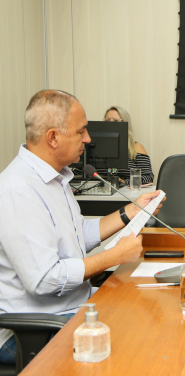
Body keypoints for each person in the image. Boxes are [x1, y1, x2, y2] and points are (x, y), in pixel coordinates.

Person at [0, 90, 164, 365]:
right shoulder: (17, 190)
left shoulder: (56, 178)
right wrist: (114, 257)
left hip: (71, 308)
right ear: (53, 137)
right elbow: (44, 280)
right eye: (81, 131)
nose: (88, 139)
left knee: (147, 310)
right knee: (139, 340)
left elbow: (77, 236)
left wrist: (131, 211)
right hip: (34, 329)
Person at [103, 106, 154, 185]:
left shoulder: (136, 148)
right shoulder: (94, 147)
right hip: (99, 192)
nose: (110, 124)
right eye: (107, 121)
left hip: (126, 193)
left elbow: (148, 177)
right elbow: (79, 173)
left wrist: (124, 182)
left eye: (116, 121)